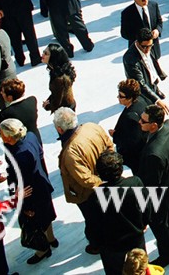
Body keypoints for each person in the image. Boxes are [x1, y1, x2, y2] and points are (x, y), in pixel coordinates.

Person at [54, 107, 113, 256]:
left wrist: (101, 182)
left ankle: (97, 245)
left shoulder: (70, 152)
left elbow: (85, 179)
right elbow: (109, 146)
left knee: (93, 220)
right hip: (103, 183)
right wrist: (110, 175)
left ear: (60, 129)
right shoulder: (92, 127)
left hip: (88, 193)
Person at [0, 118, 58, 265]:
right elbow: (40, 155)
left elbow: (22, 182)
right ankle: (51, 238)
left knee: (35, 222)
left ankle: (43, 250)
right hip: (42, 184)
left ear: (8, 137)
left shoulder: (19, 155)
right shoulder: (30, 136)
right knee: (46, 213)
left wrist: (25, 206)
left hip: (31, 193)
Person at [138, 103, 169, 267]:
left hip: (161, 192)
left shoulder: (153, 153)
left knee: (158, 223)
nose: (139, 122)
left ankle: (167, 256)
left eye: (143, 121)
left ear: (153, 125)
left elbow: (151, 183)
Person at [94, 150, 149, 275]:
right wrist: (143, 223)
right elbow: (146, 207)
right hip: (135, 239)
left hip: (112, 247)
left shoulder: (97, 197)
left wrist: (97, 243)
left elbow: (95, 226)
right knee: (139, 270)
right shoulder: (135, 183)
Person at [123, 27, 166, 102]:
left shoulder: (148, 45)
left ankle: (155, 89)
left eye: (150, 46)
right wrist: (156, 100)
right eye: (144, 47)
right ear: (137, 42)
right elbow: (140, 84)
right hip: (143, 89)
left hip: (151, 79)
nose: (147, 50)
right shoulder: (130, 59)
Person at [41, 43, 77, 113]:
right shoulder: (58, 71)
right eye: (43, 52)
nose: (42, 55)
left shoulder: (59, 79)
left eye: (46, 53)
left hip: (64, 112)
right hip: (69, 104)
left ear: (53, 57)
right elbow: (57, 93)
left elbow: (57, 102)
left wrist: (47, 106)